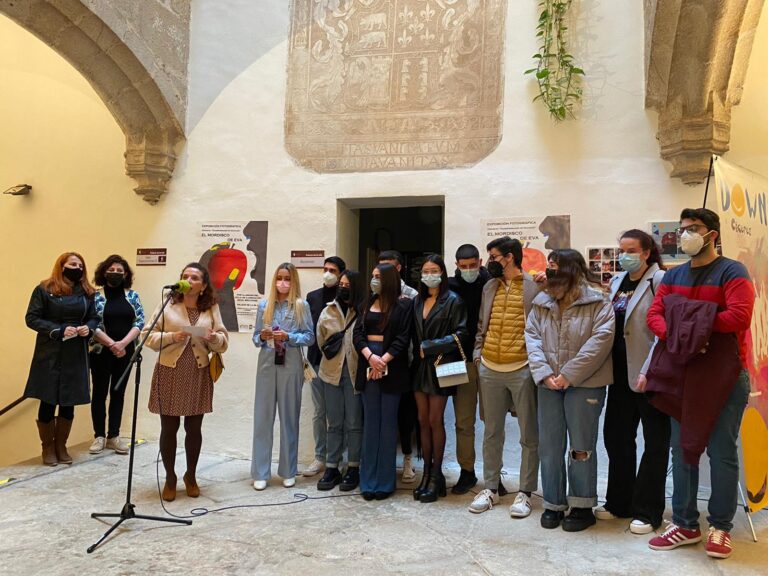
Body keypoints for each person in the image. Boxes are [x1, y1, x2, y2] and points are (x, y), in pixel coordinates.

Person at [647, 208, 754, 559]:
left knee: (722, 451)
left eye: (693, 229)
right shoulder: (674, 275)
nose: (685, 235)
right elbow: (655, 315)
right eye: (682, 230)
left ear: (712, 234)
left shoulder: (732, 271)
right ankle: (685, 523)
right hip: (682, 372)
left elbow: (739, 315)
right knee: (683, 449)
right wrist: (685, 336)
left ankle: (721, 526)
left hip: (723, 374)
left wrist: (692, 330)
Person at [525, 249, 615, 532]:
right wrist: (545, 374)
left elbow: (600, 342)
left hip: (584, 384)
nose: (549, 272)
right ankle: (553, 504)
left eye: (555, 266)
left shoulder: (598, 301)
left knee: (581, 448)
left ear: (572, 268)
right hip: (548, 384)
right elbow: (532, 338)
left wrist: (568, 375)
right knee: (550, 447)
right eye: (548, 266)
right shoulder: (541, 302)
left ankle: (582, 504)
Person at [594, 230, 670, 534]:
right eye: (621, 249)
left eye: (631, 250)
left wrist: (649, 370)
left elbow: (663, 332)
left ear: (647, 252)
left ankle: (648, 510)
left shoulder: (660, 280)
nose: (624, 254)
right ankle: (619, 501)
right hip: (619, 374)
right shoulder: (616, 282)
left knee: (655, 443)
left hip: (650, 374)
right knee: (617, 437)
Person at [142, 262, 228, 501]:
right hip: (170, 370)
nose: (189, 280)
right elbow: (146, 335)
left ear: (203, 286)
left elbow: (223, 339)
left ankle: (190, 475)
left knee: (193, 428)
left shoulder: (210, 307)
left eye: (194, 278)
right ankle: (170, 477)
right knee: (169, 428)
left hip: (198, 371)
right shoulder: (168, 303)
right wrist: (173, 336)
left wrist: (213, 338)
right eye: (185, 276)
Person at [469, 237, 541, 518]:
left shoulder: (534, 286)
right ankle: (490, 489)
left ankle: (524, 492)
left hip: (522, 368)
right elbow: (480, 324)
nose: (490, 262)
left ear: (509, 257)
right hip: (489, 368)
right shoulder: (489, 286)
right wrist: (478, 355)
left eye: (494, 256)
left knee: (529, 434)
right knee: (491, 432)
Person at [25, 252, 99, 466]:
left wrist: (89, 328)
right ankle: (47, 447)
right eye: (72, 264)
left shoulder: (88, 292)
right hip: (50, 350)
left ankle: (61, 446)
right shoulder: (44, 289)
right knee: (48, 398)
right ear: (62, 266)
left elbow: (94, 317)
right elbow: (32, 318)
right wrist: (57, 330)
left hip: (76, 350)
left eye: (80, 265)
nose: (77, 268)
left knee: (69, 399)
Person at [251, 263, 314, 491]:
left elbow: (309, 337)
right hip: (267, 362)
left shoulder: (301, 306)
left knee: (289, 417)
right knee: (263, 417)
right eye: (279, 278)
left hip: (291, 362)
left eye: (287, 278)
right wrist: (264, 335)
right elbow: (256, 337)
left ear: (293, 280)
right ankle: (260, 472)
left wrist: (288, 336)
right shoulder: (264, 305)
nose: (283, 283)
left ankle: (288, 470)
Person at [353, 263, 413, 500]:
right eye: (373, 275)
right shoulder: (365, 305)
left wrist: (383, 361)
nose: (373, 280)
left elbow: (403, 338)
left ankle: (385, 483)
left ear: (389, 280)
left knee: (388, 426)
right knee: (371, 425)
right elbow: (358, 335)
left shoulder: (403, 306)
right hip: (369, 362)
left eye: (378, 276)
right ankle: (368, 481)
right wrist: (370, 357)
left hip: (392, 368)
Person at [411, 255, 468, 503]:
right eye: (425, 271)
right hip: (419, 367)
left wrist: (429, 346)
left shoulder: (454, 300)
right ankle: (426, 475)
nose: (429, 274)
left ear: (443, 273)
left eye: (434, 270)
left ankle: (436, 476)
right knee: (422, 421)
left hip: (444, 364)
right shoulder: (416, 300)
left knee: (436, 421)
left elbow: (462, 335)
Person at [88, 254, 145, 455]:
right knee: (99, 393)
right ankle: (99, 436)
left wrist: (122, 344)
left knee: (118, 393)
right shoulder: (95, 296)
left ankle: (114, 436)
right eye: (111, 270)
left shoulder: (132, 296)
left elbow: (139, 322)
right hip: (100, 351)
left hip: (125, 352)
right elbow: (91, 323)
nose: (115, 274)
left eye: (119, 271)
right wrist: (112, 343)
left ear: (126, 274)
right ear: (104, 272)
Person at [447, 244, 490, 494]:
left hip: (487, 359)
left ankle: (493, 475)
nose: (469, 270)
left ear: (480, 261)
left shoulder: (492, 283)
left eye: (473, 265)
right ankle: (467, 472)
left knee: (492, 422)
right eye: (463, 267)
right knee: (463, 421)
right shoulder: (450, 286)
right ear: (456, 266)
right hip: (457, 359)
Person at [315, 270, 364, 491]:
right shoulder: (328, 311)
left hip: (354, 375)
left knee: (354, 423)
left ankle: (353, 467)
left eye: (347, 284)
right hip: (330, 374)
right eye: (341, 284)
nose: (343, 287)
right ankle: (332, 467)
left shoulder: (362, 311)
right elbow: (320, 340)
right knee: (333, 423)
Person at [377, 250, 419, 483]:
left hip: (406, 361)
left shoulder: (411, 295)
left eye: (389, 268)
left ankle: (408, 459)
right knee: (383, 415)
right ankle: (383, 463)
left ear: (399, 268)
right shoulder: (375, 293)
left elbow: (412, 332)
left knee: (406, 413)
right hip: (377, 363)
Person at [304, 256, 346, 478]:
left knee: (339, 413)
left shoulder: (345, 297)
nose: (328, 273)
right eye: (325, 269)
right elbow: (307, 329)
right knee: (319, 411)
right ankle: (320, 457)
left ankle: (339, 457)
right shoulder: (312, 297)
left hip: (339, 363)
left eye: (333, 270)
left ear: (341, 274)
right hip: (315, 361)